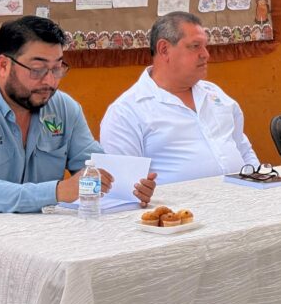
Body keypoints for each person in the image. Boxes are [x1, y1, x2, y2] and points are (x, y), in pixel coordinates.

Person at [0, 16, 157, 227]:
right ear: (4, 65)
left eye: (58, 69)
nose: (50, 81)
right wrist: (59, 191)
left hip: (29, 240)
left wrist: (129, 186)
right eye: (38, 70)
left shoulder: (62, 107)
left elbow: (94, 167)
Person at [101, 12, 260, 183]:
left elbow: (243, 150)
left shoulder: (215, 94)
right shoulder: (127, 112)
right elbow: (124, 187)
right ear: (164, 49)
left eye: (205, 46)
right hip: (178, 208)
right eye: (195, 46)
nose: (205, 54)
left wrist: (262, 182)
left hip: (242, 199)